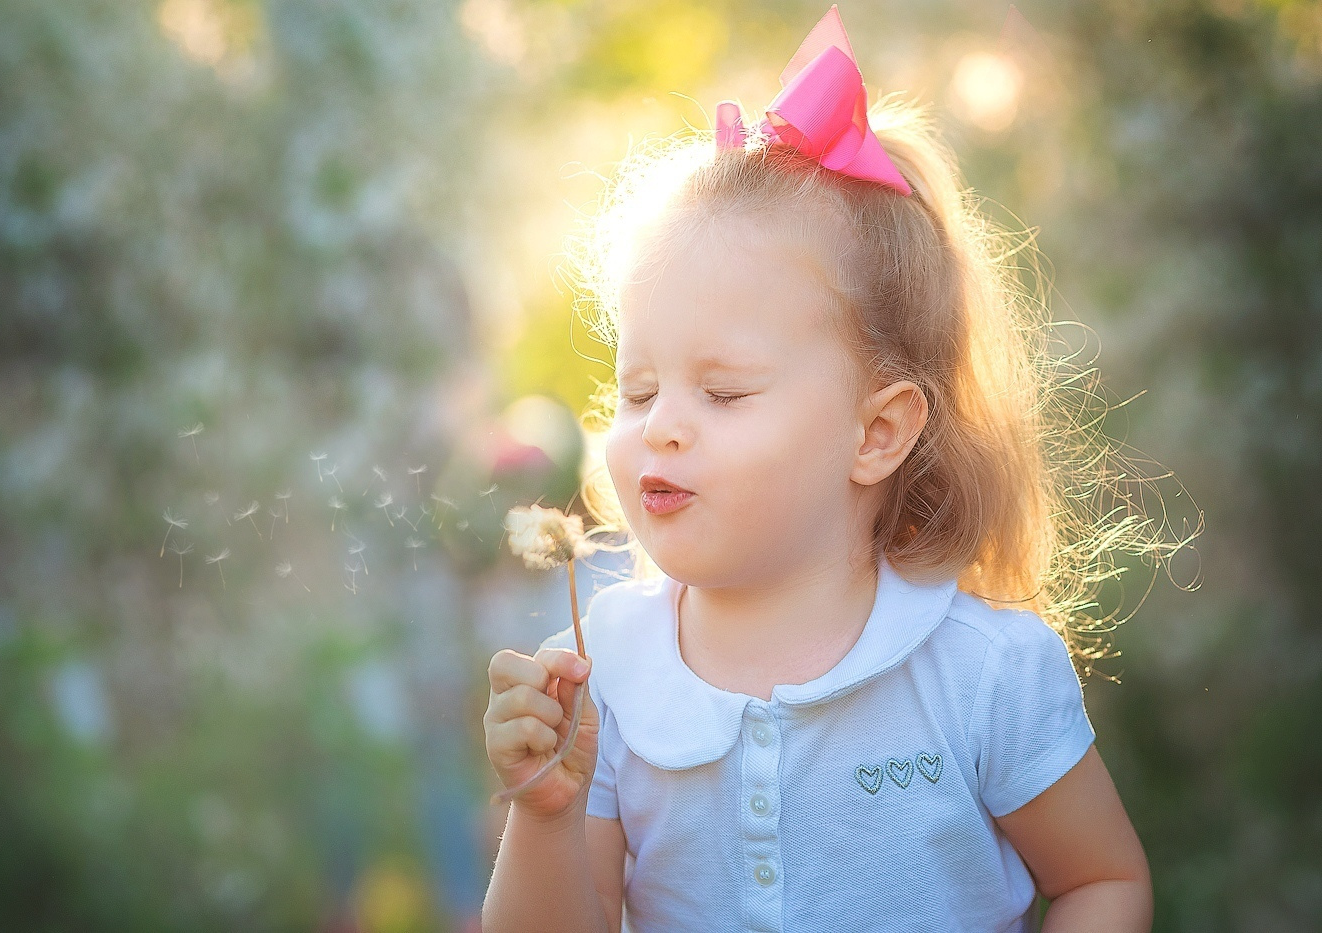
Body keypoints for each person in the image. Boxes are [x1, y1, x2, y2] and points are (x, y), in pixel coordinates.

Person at [483, 6, 1180, 931]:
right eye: (640, 391)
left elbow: (1102, 880)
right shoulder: (612, 670)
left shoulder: (979, 673)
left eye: (724, 394)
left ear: (877, 434)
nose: (663, 430)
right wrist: (544, 810)